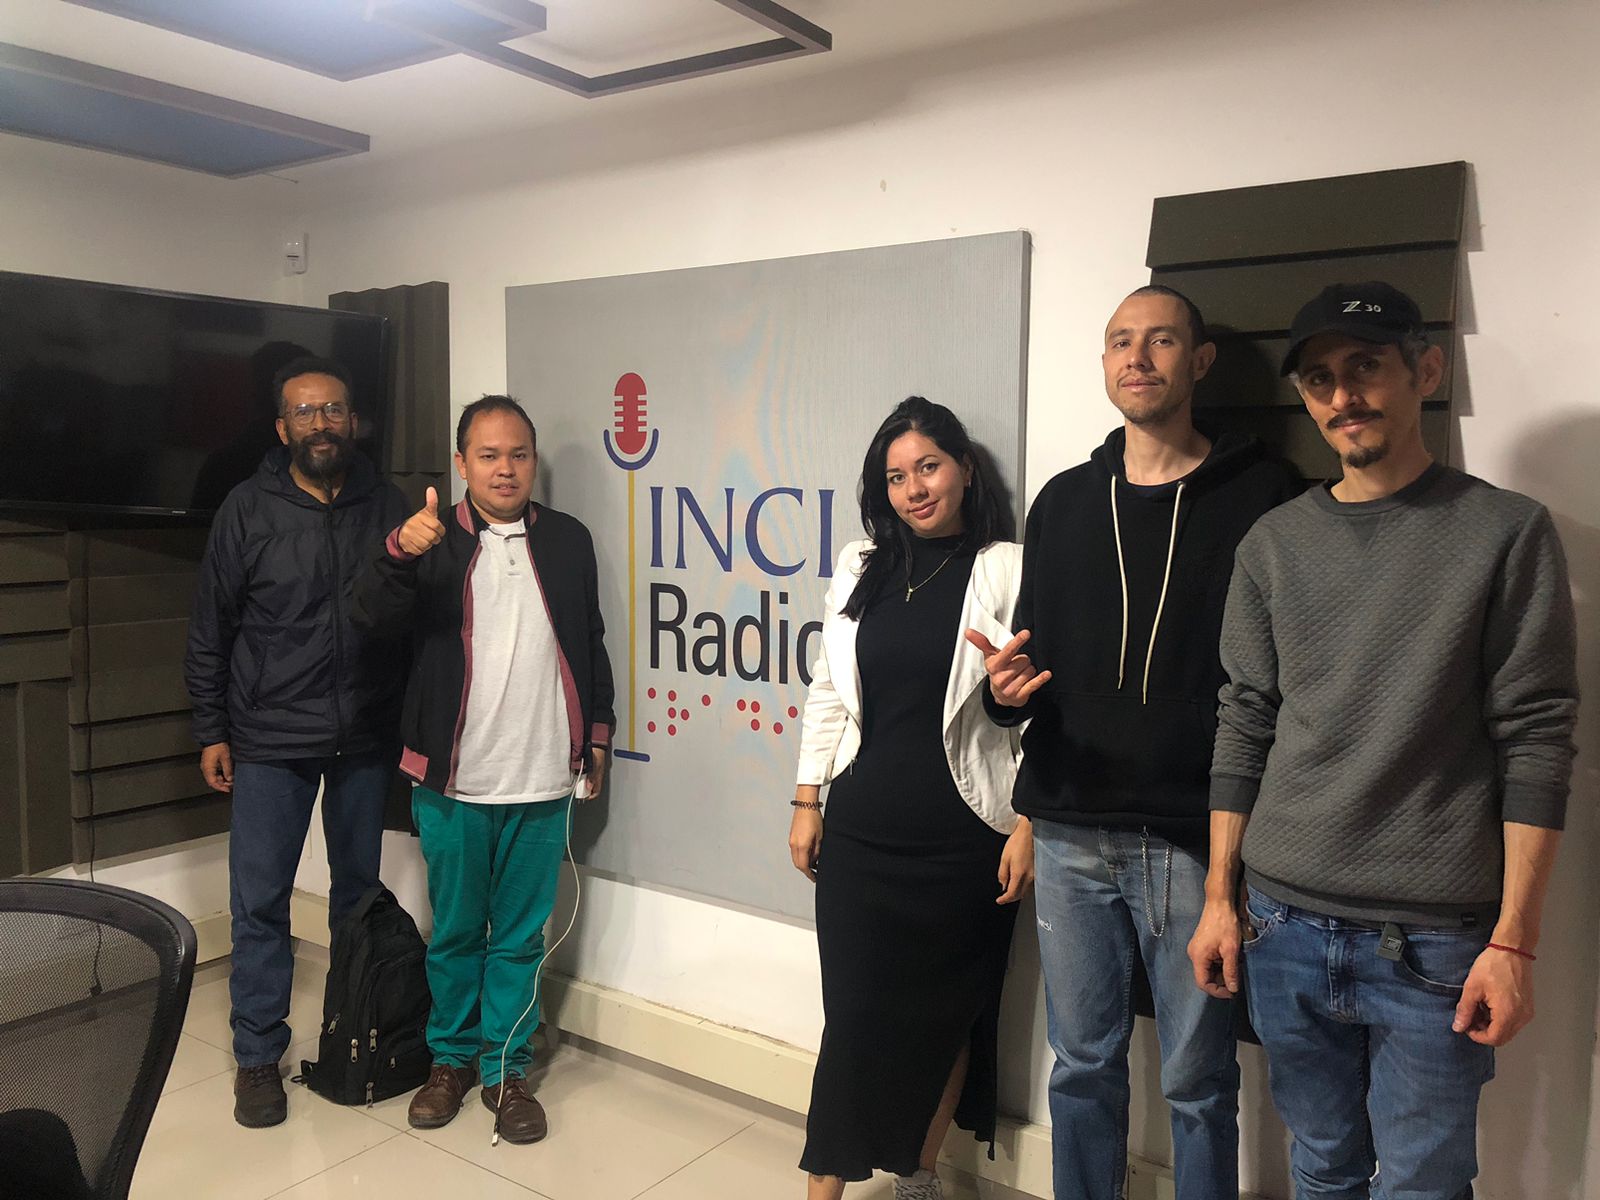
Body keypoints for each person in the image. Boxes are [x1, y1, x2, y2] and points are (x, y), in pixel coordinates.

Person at [1188, 281, 1579, 1200]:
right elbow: (1245, 720)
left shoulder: (1507, 533)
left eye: (1364, 367)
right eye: (1320, 379)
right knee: (1322, 1170)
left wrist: (1515, 942)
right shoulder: (1274, 544)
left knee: (1423, 1184)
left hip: (1436, 941)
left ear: (1426, 370)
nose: (1341, 397)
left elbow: (1537, 738)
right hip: (1280, 921)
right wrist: (1219, 897)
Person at [971, 286, 1301, 1200]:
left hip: (1195, 839)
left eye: (1161, 340)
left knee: (1199, 1082)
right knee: (1080, 1066)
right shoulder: (1065, 502)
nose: (1137, 356)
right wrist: (1004, 698)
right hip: (1071, 829)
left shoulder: (1267, 495)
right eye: (1121, 340)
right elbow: (1027, 678)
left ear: (1199, 362)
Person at [351, 394, 615, 1145]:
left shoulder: (567, 541)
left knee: (521, 936)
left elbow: (588, 643)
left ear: (534, 463)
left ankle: (506, 1069)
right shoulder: (427, 540)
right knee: (457, 930)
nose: (506, 468)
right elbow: (365, 617)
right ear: (461, 463)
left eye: (519, 454)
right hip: (452, 778)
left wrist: (596, 732)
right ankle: (450, 1063)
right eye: (489, 455)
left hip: (542, 774)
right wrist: (398, 551)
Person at [789, 397, 1033, 1200]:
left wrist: (1028, 821)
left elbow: (1033, 706)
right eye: (895, 476)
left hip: (966, 838)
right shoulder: (863, 565)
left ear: (964, 468)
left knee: (947, 1017)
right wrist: (806, 797)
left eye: (927, 467)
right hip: (862, 832)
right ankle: (822, 1192)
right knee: (853, 1024)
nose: (913, 489)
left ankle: (920, 1175)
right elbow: (829, 686)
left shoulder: (1004, 566)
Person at [184, 355, 408, 1128]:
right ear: (283, 429)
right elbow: (211, 628)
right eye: (306, 412)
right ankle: (256, 1059)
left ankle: (351, 1035)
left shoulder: (391, 504)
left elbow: (415, 613)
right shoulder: (246, 509)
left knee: (357, 901)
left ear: (354, 422)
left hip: (365, 738)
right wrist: (211, 727)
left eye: (335, 410)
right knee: (261, 903)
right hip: (270, 737)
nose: (322, 423)